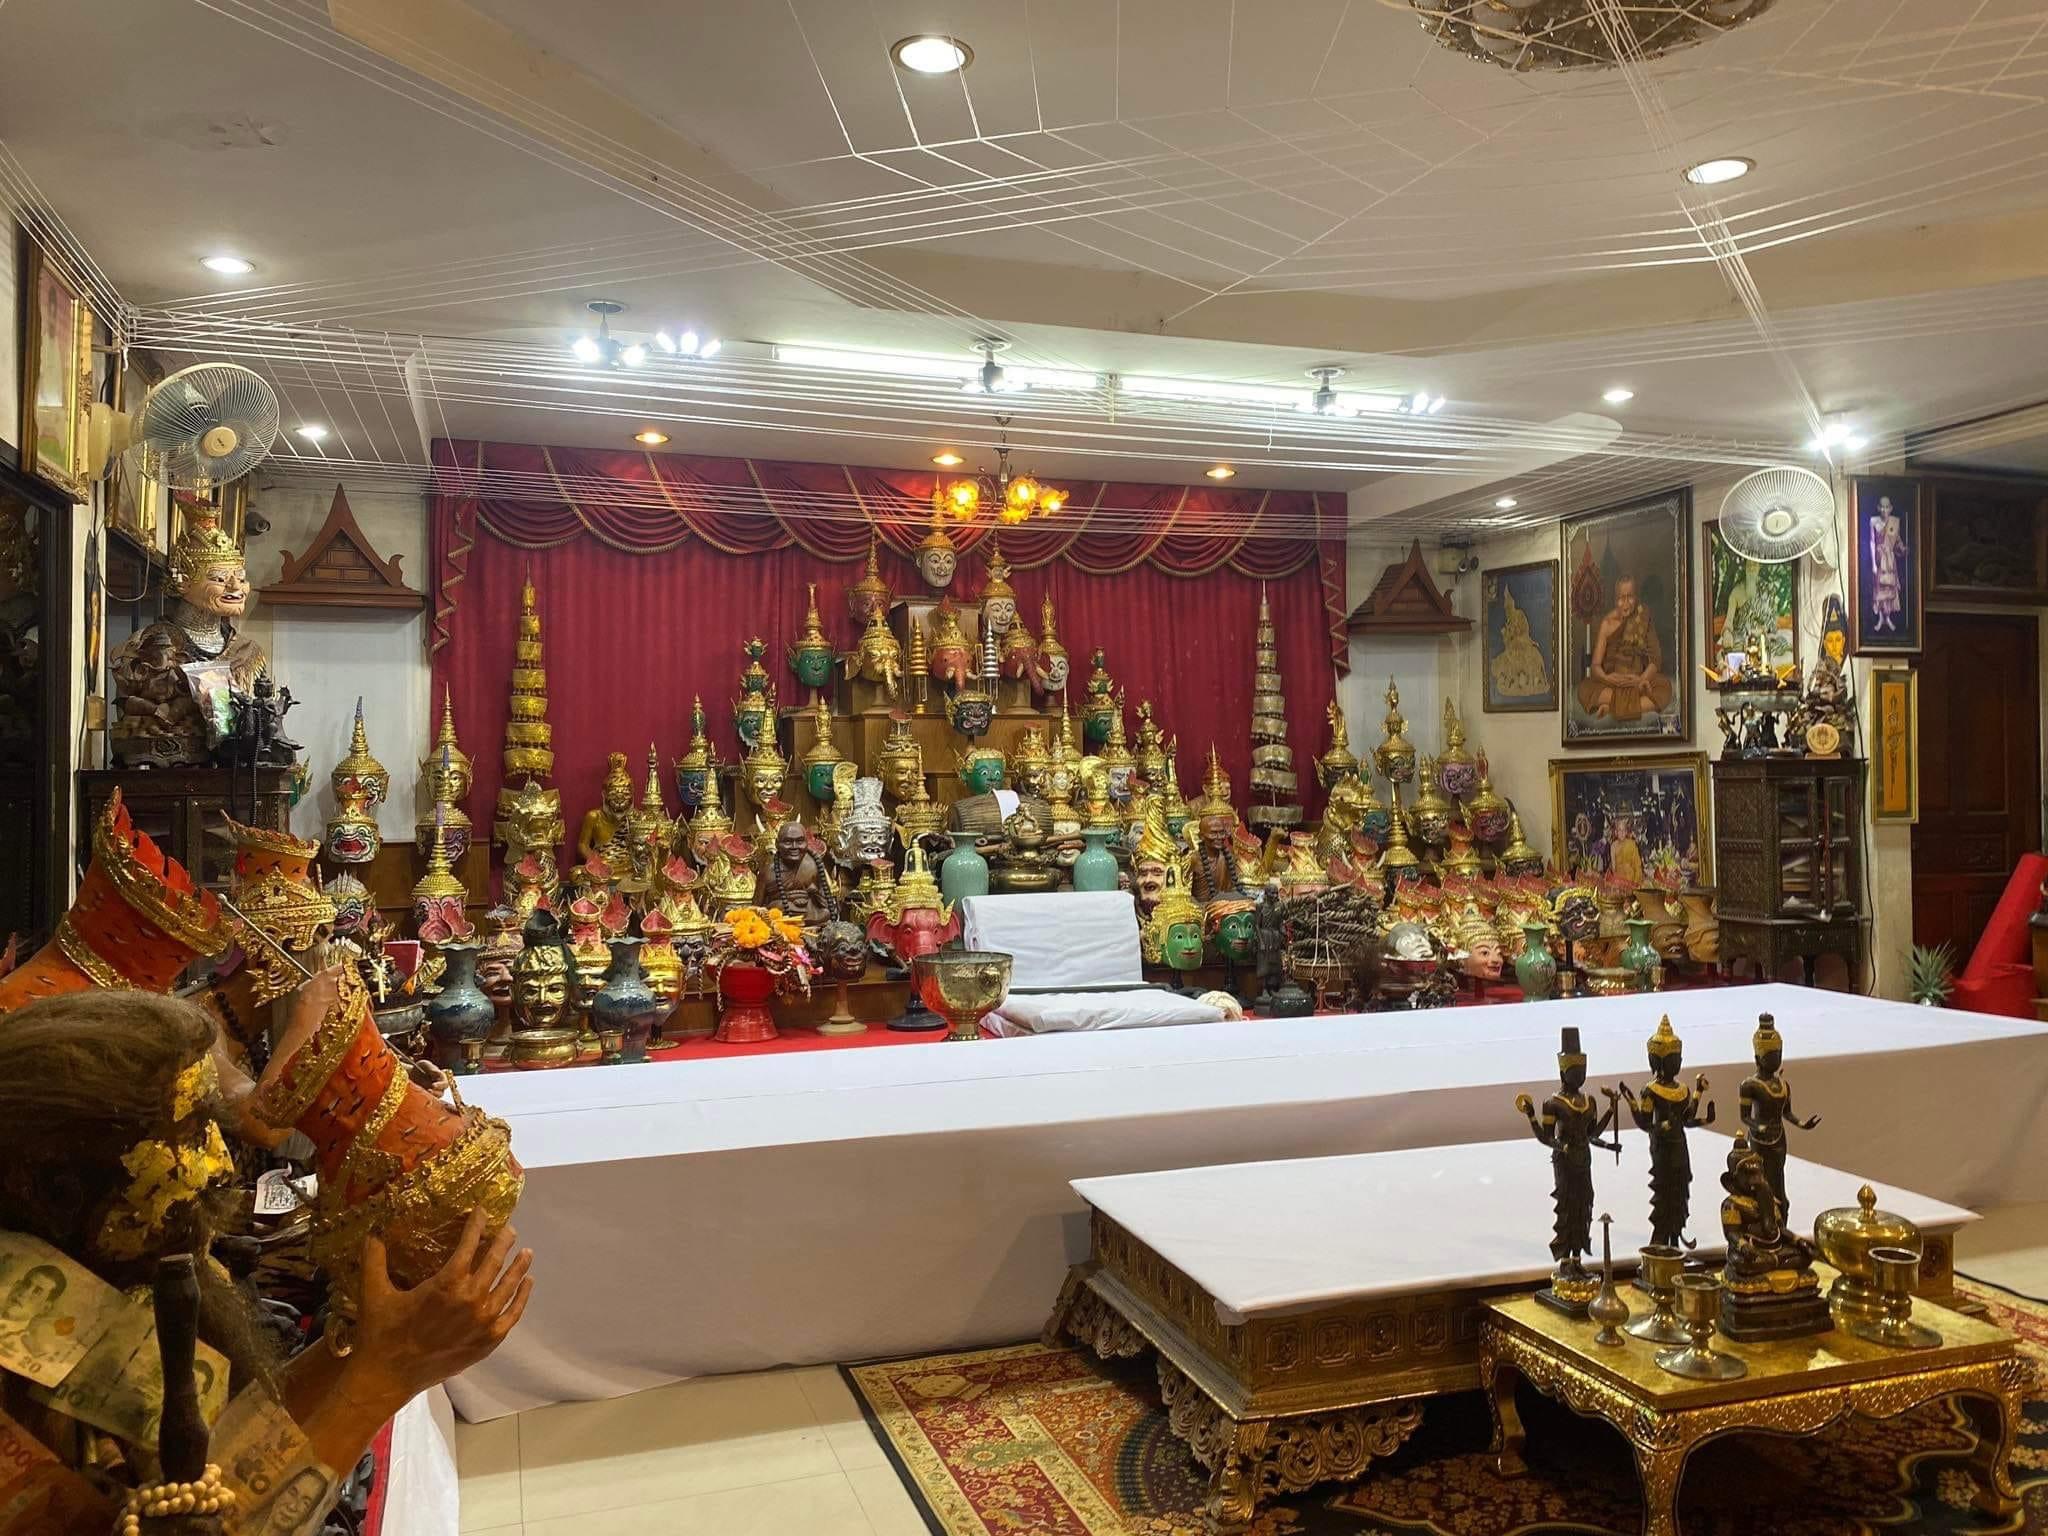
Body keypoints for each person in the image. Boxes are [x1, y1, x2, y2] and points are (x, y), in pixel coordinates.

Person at [0, 989, 533, 1513]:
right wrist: (386, 1375)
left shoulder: (144, 1273)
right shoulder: (23, 1381)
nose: (223, 1165)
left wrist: (364, 1333)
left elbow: (232, 1447)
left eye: (213, 1127)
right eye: (190, 1135)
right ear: (62, 1190)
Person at [1576, 575, 1673, 723]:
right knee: (1584, 690)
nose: (1626, 603)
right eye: (1621, 598)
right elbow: (1595, 666)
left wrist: (1642, 679)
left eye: (1630, 597)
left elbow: (1655, 660)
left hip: (1638, 682)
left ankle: (1611, 707)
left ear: (1636, 597)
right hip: (1614, 683)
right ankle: (1630, 705)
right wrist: (1607, 678)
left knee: (1665, 688)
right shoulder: (1607, 623)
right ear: (1615, 600)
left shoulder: (1643, 616)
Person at [1869, 495, 1906, 632]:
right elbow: (1872, 542)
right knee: (1879, 589)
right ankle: (1880, 619)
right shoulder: (1873, 521)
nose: (1884, 510)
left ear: (1890, 508)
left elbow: (1897, 541)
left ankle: (1888, 618)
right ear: (1878, 508)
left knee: (1890, 590)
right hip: (1879, 560)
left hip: (1890, 561)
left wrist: (1903, 548)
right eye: (1882, 507)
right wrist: (1873, 564)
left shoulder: (1894, 522)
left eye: (1887, 507)